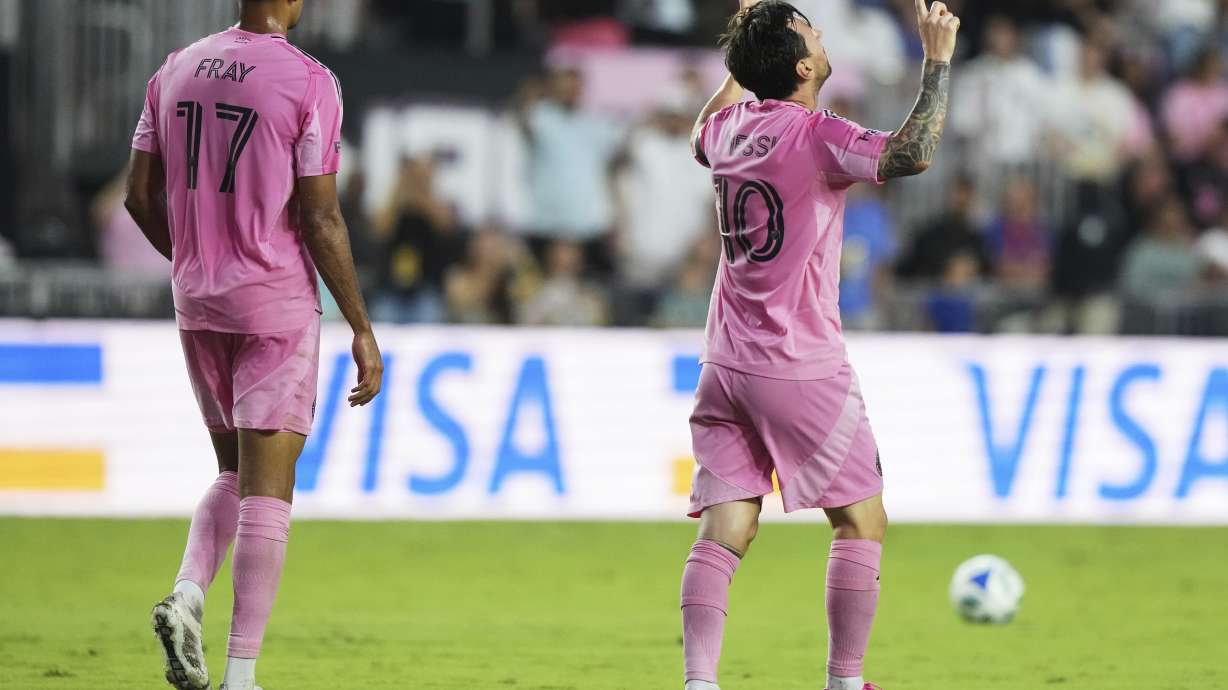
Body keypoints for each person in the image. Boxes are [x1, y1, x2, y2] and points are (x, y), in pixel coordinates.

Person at [681, 2, 958, 690]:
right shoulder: (818, 135)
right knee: (862, 520)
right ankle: (844, 682)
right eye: (812, 32)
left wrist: (741, 64)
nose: (822, 34)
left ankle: (699, 682)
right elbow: (912, 152)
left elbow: (698, 135)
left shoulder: (729, 127)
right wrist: (938, 62)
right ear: (804, 67)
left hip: (724, 363)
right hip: (798, 364)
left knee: (726, 529)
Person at [124, 2, 383, 689]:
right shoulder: (308, 80)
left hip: (198, 301)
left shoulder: (173, 70)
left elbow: (136, 196)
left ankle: (186, 594)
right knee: (269, 490)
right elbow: (321, 214)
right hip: (272, 302)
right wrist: (360, 325)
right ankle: (241, 675)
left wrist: (195, 261)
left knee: (235, 474)